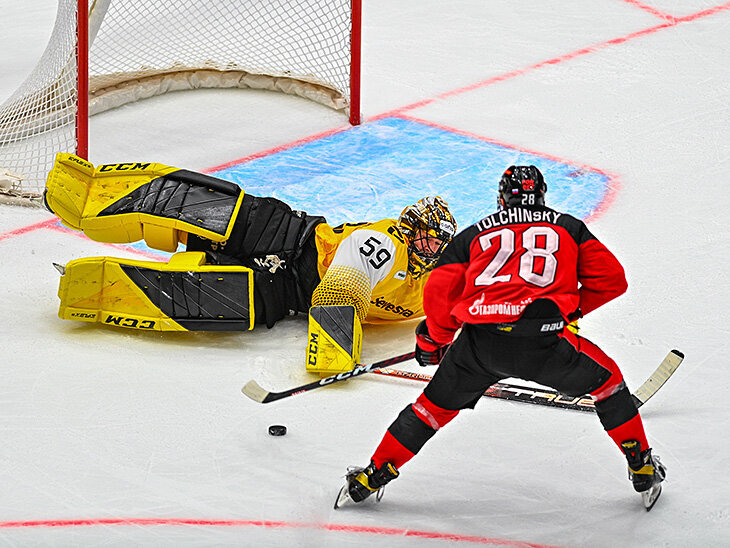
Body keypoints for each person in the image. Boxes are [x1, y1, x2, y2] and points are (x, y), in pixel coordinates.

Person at [335, 165, 666, 511]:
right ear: (541, 195)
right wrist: (570, 311)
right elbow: (613, 280)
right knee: (609, 384)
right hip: (545, 340)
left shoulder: (474, 233)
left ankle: (370, 477)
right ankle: (641, 465)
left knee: (429, 410)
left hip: (481, 345)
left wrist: (434, 342)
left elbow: (439, 292)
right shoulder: (569, 227)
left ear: (501, 197)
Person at [43, 153, 457, 375]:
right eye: (429, 236)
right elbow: (341, 290)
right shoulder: (384, 243)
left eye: (440, 242)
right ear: (411, 228)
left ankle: (88, 291)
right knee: (199, 207)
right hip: (287, 236)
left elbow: (469, 307)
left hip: (290, 294)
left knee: (210, 298)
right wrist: (333, 350)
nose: (434, 246)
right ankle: (86, 194)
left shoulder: (431, 285)